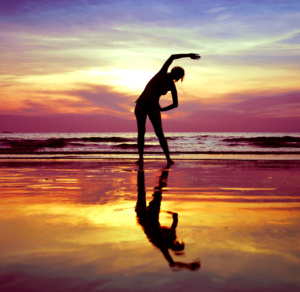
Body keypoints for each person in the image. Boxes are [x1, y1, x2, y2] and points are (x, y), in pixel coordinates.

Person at [134, 53, 201, 165]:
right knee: (141, 132)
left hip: (153, 108)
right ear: (172, 70)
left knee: (159, 133)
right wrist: (188, 55)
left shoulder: (171, 86)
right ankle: (141, 158)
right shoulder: (161, 73)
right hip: (141, 105)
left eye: (178, 75)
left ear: (178, 78)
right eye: (175, 71)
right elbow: (172, 57)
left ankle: (168, 159)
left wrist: (162, 110)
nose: (175, 74)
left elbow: (175, 104)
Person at [135, 164, 201, 271]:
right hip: (153, 216)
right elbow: (174, 222)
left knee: (143, 191)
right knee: (155, 191)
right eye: (178, 242)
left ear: (175, 246)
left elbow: (172, 263)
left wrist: (188, 266)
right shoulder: (171, 238)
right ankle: (164, 172)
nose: (177, 240)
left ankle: (152, 171)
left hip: (144, 218)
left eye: (177, 243)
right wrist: (172, 215)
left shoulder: (163, 245)